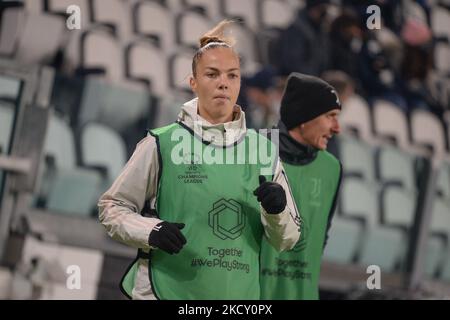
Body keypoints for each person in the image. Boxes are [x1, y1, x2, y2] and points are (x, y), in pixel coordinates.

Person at [98, 20, 300, 300]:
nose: (223, 84)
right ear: (193, 82)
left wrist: (277, 211)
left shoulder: (264, 151)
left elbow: (287, 240)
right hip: (164, 292)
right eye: (212, 74)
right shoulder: (161, 142)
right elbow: (112, 207)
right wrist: (151, 230)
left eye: (232, 76)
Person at [260, 73, 343, 300]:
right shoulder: (253, 150)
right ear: (305, 118)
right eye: (330, 116)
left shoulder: (332, 168)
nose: (337, 128)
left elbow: (320, 237)